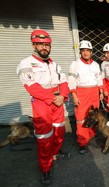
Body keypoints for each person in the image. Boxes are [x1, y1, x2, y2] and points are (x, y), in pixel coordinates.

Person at [16, 29, 70, 185]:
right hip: (41, 104)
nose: (44, 47)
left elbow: (64, 82)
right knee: (44, 137)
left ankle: (55, 153)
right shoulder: (26, 63)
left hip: (57, 102)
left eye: (46, 44)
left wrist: (63, 96)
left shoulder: (54, 64)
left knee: (59, 131)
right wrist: (53, 98)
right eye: (40, 44)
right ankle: (45, 168)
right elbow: (32, 87)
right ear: (33, 45)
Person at [68, 40, 103, 154]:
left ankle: (92, 135)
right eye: (83, 50)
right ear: (80, 52)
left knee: (94, 115)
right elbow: (71, 80)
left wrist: (101, 91)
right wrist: (74, 95)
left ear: (91, 52)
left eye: (88, 50)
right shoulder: (75, 64)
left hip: (94, 92)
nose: (85, 53)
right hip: (81, 93)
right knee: (81, 118)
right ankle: (82, 142)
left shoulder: (96, 65)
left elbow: (99, 79)